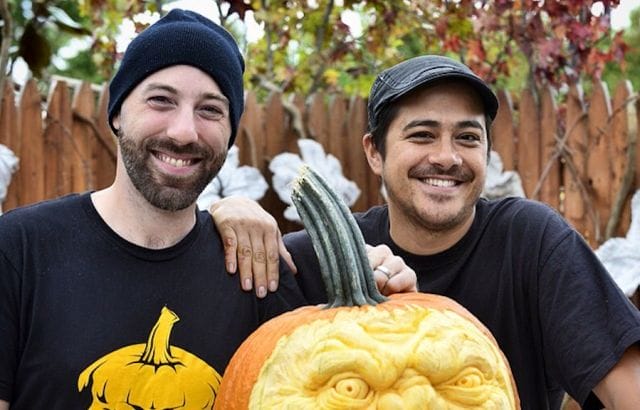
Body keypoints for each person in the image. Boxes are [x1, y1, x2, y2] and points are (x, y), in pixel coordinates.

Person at [0, 9, 416, 409]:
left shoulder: (258, 271)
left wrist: (381, 278)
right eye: (161, 100)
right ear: (117, 113)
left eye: (210, 110)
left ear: (230, 133)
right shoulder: (19, 251)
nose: (184, 131)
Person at [211, 55, 640, 409]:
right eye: (423, 135)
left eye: (468, 137)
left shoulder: (530, 242)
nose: (447, 157)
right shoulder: (313, 259)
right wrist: (223, 214)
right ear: (375, 152)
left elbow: (630, 392)